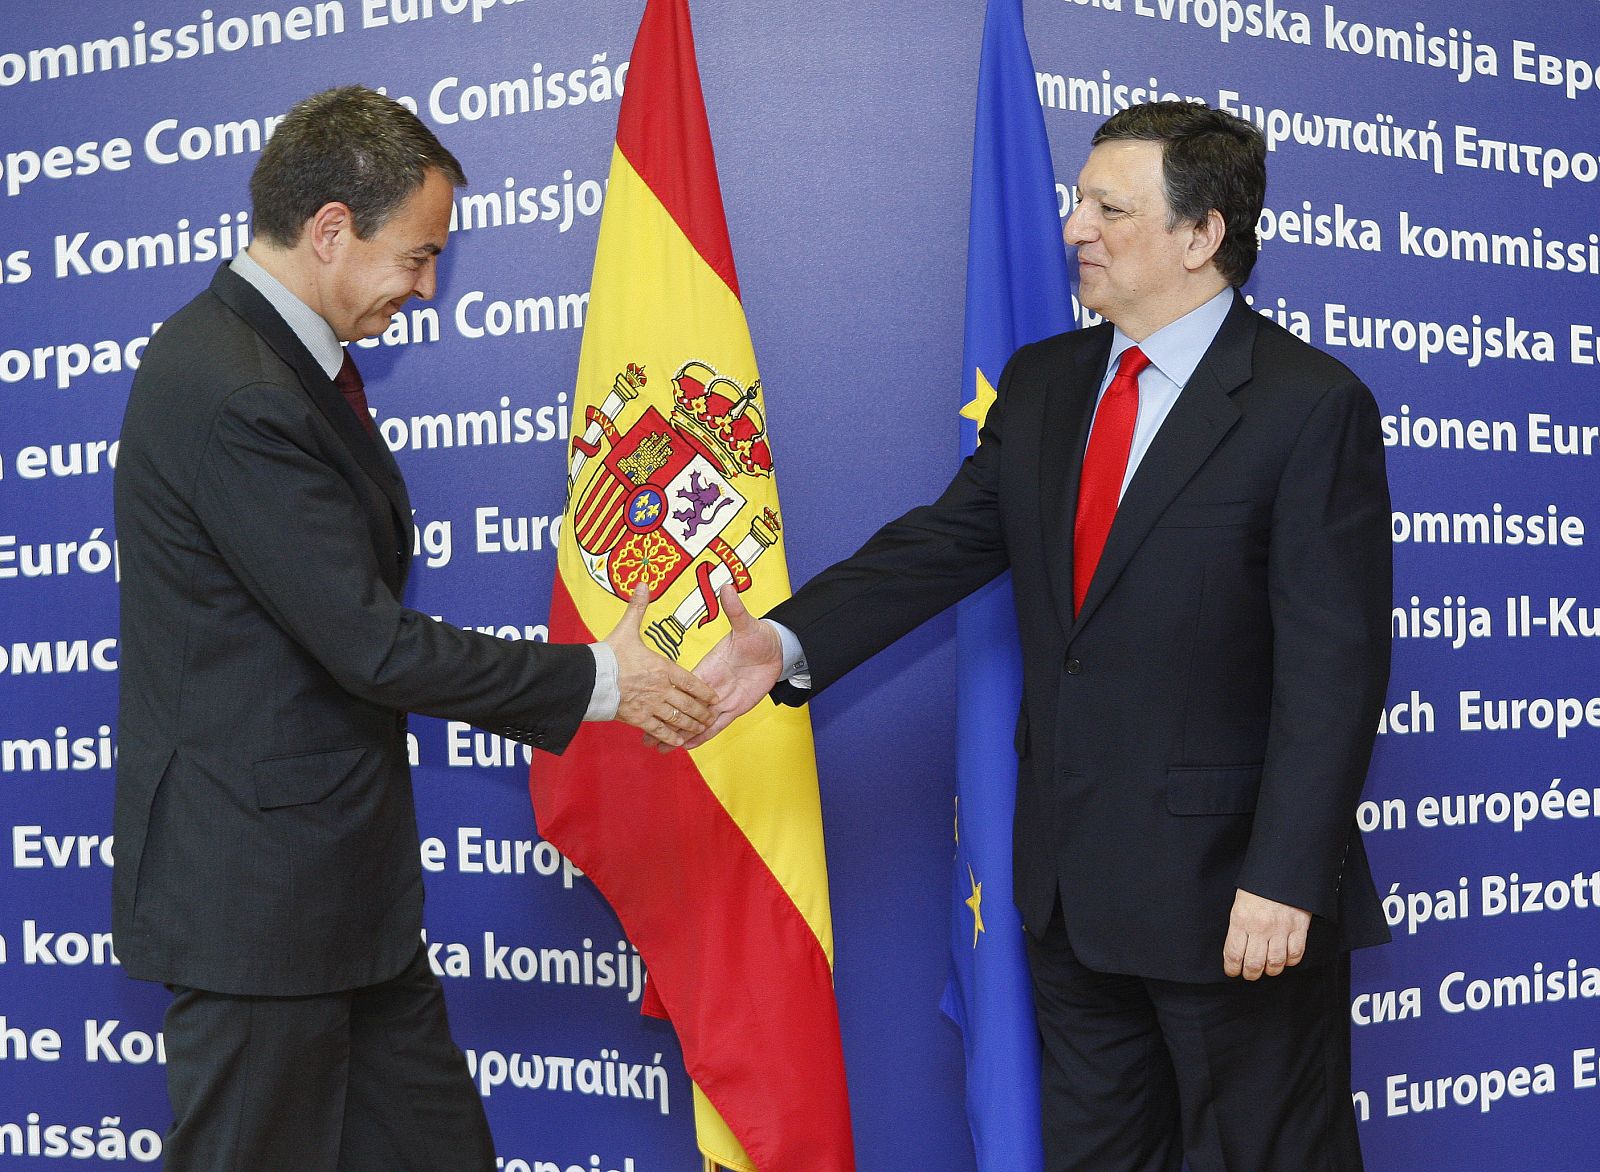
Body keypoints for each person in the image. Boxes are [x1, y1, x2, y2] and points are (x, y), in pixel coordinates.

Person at [690, 101, 1392, 1170]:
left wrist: (1286, 875)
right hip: (1071, 899)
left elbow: (1331, 669)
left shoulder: (1309, 404)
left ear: (1200, 236)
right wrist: (783, 642)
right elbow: (939, 545)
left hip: (1234, 903)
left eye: (1109, 206)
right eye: (1078, 200)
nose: (1075, 226)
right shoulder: (1046, 381)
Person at [112, 85, 715, 1171]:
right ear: (332, 228)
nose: (428, 288)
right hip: (260, 905)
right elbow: (370, 642)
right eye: (418, 255)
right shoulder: (231, 384)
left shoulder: (281, 360)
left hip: (342, 897)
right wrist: (599, 679)